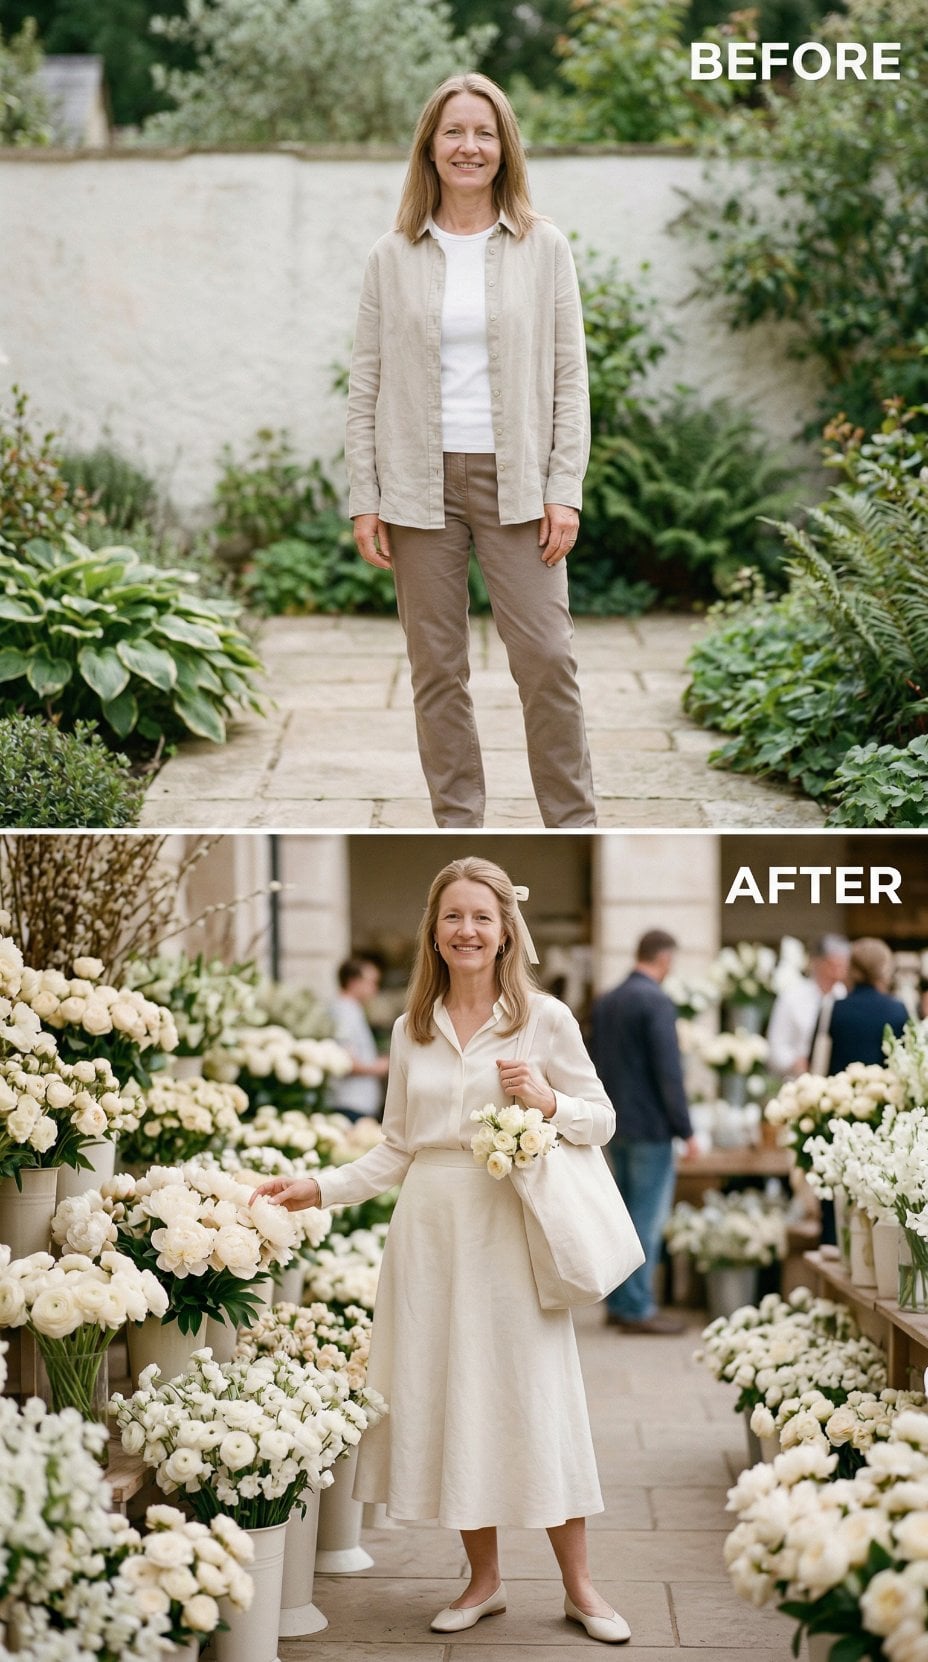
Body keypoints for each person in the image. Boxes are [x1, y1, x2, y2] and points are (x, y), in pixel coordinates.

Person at [251, 857, 629, 1645]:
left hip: (513, 1232)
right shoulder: (409, 1027)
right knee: (459, 1404)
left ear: (504, 932)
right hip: (428, 1235)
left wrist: (548, 1100)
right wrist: (314, 1188)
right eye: (453, 916)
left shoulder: (546, 1018)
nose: (467, 930)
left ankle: (582, 1588)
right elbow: (394, 1150)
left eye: (481, 918)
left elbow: (602, 1121)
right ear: (435, 929)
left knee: (537, 1399)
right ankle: (483, 1582)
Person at [346, 72, 596, 830]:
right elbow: (365, 384)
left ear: (504, 148)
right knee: (437, 672)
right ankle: (458, 819)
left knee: (548, 659)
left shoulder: (542, 247)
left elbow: (570, 377)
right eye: (453, 131)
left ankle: (574, 820)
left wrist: (565, 486)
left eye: (484, 133)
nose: (469, 146)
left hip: (518, 482)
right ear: (430, 146)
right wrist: (367, 495)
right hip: (418, 488)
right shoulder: (391, 256)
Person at [590, 930, 697, 1335]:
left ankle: (620, 1302)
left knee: (622, 1217)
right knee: (646, 1221)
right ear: (664, 958)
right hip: (651, 1126)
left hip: (615, 1124)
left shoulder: (609, 999)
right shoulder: (655, 1000)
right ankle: (636, 1308)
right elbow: (669, 1072)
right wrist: (686, 1129)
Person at [766, 934, 849, 1077]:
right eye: (833, 965)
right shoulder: (791, 997)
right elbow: (776, 1046)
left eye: (843, 965)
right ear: (817, 962)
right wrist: (794, 1061)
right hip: (798, 1081)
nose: (838, 971)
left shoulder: (846, 997)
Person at [827, 938, 908, 1074]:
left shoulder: (835, 1009)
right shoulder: (897, 1009)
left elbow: (820, 1058)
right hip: (886, 1092)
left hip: (841, 1091)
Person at [328, 956, 389, 1121]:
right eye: (372, 982)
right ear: (353, 982)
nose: (375, 989)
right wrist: (382, 1066)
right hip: (350, 1103)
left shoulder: (352, 1010)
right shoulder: (343, 1012)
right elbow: (346, 1061)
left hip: (357, 1103)